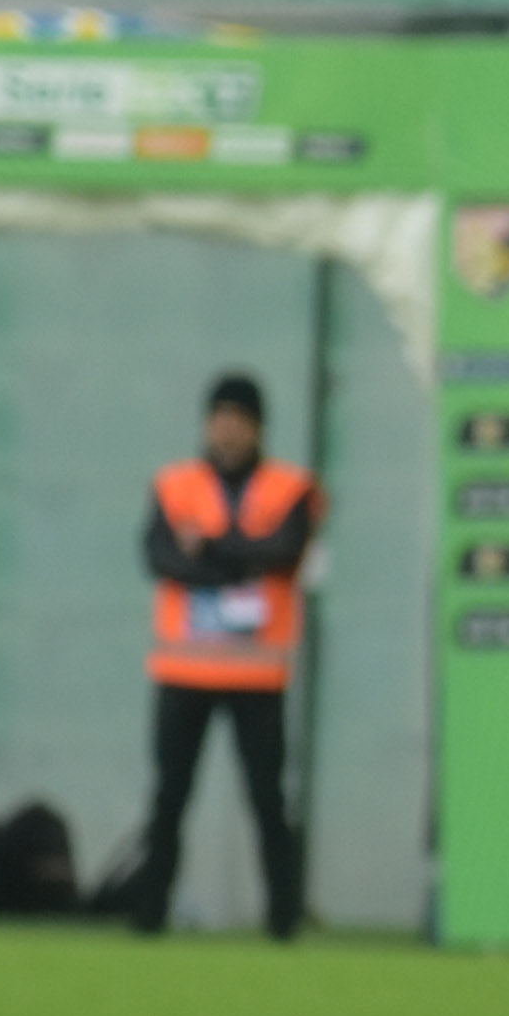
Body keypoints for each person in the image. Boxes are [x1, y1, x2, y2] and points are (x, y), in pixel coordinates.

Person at [125, 373, 323, 942]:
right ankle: (149, 915)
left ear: (258, 427)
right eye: (220, 419)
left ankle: (283, 920)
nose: (228, 431)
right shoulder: (174, 484)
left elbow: (285, 551)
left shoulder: (291, 487)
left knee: (268, 800)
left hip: (257, 673)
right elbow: (160, 557)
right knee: (169, 797)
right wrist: (240, 562)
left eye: (239, 420)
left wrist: (209, 548)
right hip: (184, 668)